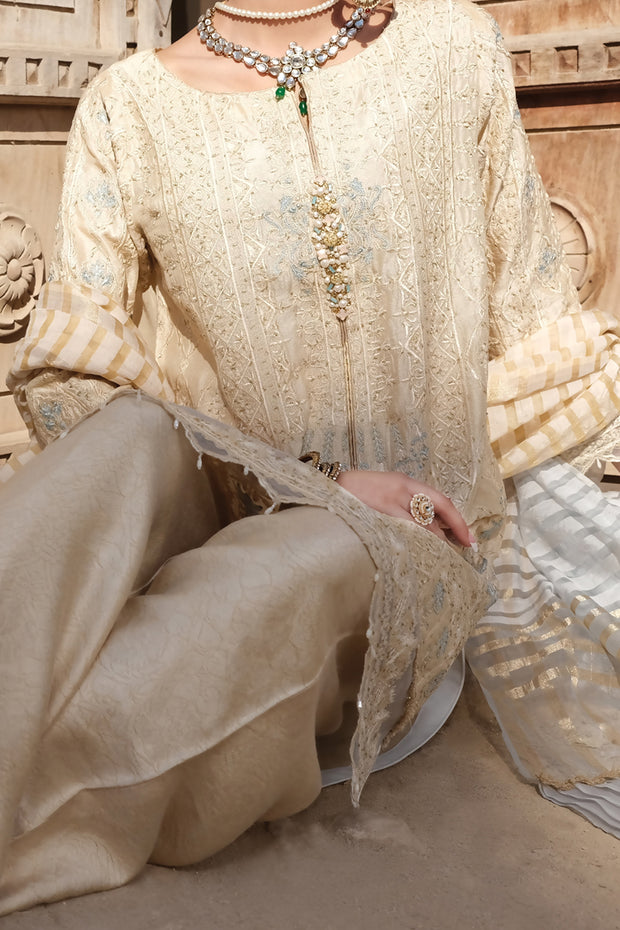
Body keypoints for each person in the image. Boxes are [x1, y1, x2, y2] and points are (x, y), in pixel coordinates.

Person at [1, 0, 619, 914]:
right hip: (227, 491)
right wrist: (297, 478)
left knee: (320, 550)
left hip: (404, 542)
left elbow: (539, 326)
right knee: (126, 435)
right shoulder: (127, 106)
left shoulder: (453, 50)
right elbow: (73, 376)